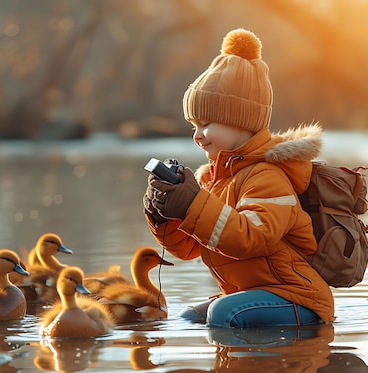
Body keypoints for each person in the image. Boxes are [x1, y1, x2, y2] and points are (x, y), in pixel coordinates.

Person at [143, 28, 335, 327]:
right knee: (187, 317)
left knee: (224, 314)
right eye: (193, 126)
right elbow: (188, 249)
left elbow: (251, 239)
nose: (197, 136)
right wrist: (163, 214)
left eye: (205, 124)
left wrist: (192, 204)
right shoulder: (212, 179)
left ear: (240, 121)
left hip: (296, 298)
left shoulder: (268, 176)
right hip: (250, 293)